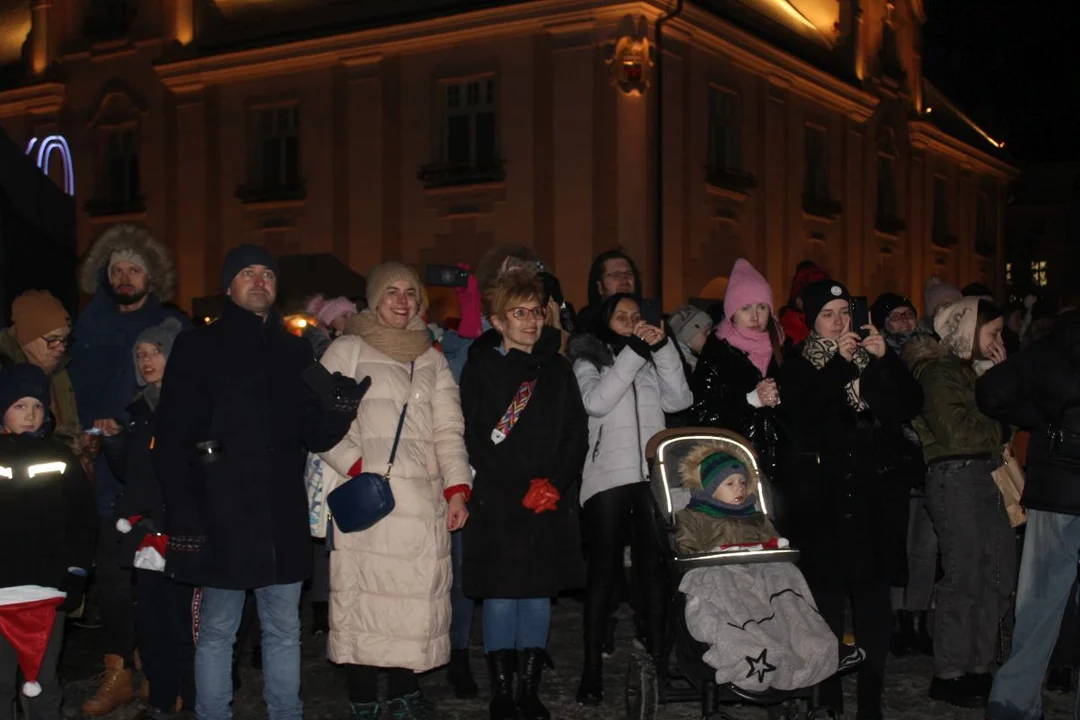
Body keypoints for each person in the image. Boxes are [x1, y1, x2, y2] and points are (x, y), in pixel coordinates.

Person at [154, 244, 363, 720]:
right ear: (229, 285)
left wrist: (341, 409)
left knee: (284, 630)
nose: (259, 281)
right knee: (217, 631)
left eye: (267, 274)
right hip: (220, 514)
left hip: (279, 518)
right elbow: (172, 438)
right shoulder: (197, 346)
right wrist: (185, 518)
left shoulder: (294, 350)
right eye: (247, 273)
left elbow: (312, 430)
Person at [317, 262, 472, 720]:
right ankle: (363, 697)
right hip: (370, 501)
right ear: (374, 298)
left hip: (422, 504)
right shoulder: (347, 349)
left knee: (412, 605)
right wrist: (357, 465)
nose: (402, 301)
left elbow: (448, 430)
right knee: (365, 602)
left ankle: (405, 692)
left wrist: (457, 489)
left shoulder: (432, 356)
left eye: (410, 293)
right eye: (392, 292)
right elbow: (318, 423)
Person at [780, 279, 923, 719]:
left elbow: (908, 405)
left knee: (872, 598)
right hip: (821, 501)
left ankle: (870, 696)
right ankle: (828, 695)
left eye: (845, 312)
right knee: (825, 599)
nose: (840, 321)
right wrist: (840, 366)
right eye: (829, 314)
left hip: (871, 499)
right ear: (813, 322)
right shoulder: (800, 363)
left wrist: (886, 361)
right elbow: (805, 414)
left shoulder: (869, 359)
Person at [67, 224, 188, 717]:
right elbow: (68, 389)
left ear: (151, 276)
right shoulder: (86, 326)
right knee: (115, 578)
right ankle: (118, 673)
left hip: (154, 470)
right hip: (101, 470)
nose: (123, 276)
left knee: (161, 576)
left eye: (133, 268)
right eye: (115, 268)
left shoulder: (169, 328)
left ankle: (158, 669)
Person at [458, 270, 588, 720]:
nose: (531, 321)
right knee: (499, 594)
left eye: (536, 312)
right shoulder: (481, 369)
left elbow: (576, 432)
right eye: (519, 313)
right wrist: (518, 485)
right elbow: (473, 434)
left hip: (548, 498)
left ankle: (527, 690)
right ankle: (501, 691)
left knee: (535, 594)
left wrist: (554, 481)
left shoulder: (558, 369)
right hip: (499, 498)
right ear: (497, 321)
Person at [567, 293, 693, 705]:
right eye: (621, 316)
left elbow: (681, 400)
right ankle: (592, 667)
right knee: (603, 573)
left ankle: (657, 661)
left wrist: (663, 347)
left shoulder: (650, 362)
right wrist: (636, 353)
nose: (630, 321)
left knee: (652, 572)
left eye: (636, 316)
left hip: (651, 478)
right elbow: (597, 403)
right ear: (607, 323)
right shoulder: (589, 361)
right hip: (607, 479)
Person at [905, 296, 1014, 708]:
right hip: (955, 477)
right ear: (969, 332)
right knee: (964, 577)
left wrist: (999, 385)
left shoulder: (975, 373)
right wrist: (997, 421)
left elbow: (1005, 422)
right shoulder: (938, 371)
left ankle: (979, 666)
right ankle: (949, 672)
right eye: (994, 332)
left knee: (998, 576)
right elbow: (955, 433)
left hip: (985, 477)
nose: (1000, 340)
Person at [978, 310, 1080, 720]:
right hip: (1057, 491)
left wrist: (1043, 423)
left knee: (1039, 604)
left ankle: (1013, 703)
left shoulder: (1047, 352)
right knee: (1040, 602)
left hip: (1056, 491)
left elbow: (991, 392)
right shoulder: (1048, 353)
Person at [101, 317, 193, 718]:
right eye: (140, 354)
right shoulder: (139, 409)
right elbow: (134, 473)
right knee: (152, 620)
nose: (147, 360)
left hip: (181, 531)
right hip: (145, 533)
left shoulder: (192, 404)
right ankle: (159, 700)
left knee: (183, 623)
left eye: (155, 351)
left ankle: (191, 701)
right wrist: (116, 442)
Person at [0, 364, 96, 720]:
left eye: (37, 406)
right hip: (1, 591)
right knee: (1, 683)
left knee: (43, 681)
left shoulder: (60, 457)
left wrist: (76, 571)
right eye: (20, 406)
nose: (30, 415)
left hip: (46, 590)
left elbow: (82, 520)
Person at [870, 292, 935, 658]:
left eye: (909, 314)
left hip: (928, 460)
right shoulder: (879, 357)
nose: (905, 321)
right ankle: (896, 619)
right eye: (895, 316)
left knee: (924, 547)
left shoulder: (931, 353)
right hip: (894, 463)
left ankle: (917, 618)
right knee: (896, 544)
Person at [688, 259, 786, 497]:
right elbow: (702, 413)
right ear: (732, 312)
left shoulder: (783, 349)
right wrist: (751, 400)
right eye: (746, 308)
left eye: (761, 307)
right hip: (733, 468)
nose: (755, 317)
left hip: (783, 466)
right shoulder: (717, 352)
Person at [0, 290, 79, 436]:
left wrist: (77, 446)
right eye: (52, 339)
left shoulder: (58, 371)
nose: (61, 347)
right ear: (27, 337)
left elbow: (68, 424)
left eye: (65, 339)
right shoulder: (4, 372)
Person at [777, 260, 829, 352]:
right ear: (797, 299)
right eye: (809, 295)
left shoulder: (836, 323)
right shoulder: (783, 331)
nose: (814, 301)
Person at [303, 295, 358, 361]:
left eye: (352, 316)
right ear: (329, 320)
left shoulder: (352, 335)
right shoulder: (317, 337)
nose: (350, 319)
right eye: (344, 316)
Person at [668, 304, 714, 374]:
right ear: (688, 336)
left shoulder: (681, 359)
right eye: (705, 332)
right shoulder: (690, 366)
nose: (710, 336)